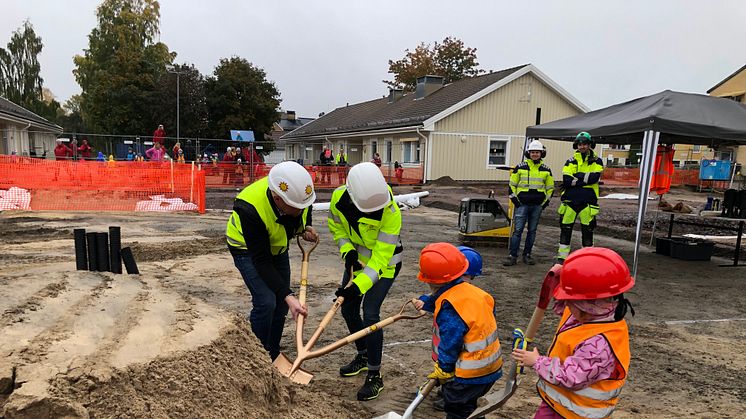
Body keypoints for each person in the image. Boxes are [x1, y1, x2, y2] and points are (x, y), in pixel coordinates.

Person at [512, 247, 634, 419]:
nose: (566, 307)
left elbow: (572, 378)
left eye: (570, 302)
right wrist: (562, 283)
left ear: (587, 306)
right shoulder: (593, 313)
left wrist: (537, 362)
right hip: (558, 403)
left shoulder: (598, 344)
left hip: (577, 412)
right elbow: (567, 310)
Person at [225, 161, 317, 361]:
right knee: (267, 302)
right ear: (277, 199)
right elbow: (262, 262)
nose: (301, 210)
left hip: (278, 246)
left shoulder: (298, 192)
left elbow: (305, 207)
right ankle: (256, 358)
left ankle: (272, 352)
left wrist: (305, 227)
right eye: (296, 207)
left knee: (282, 305)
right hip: (246, 249)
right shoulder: (250, 208)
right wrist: (288, 295)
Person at [328, 162, 403, 401]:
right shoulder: (339, 199)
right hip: (356, 262)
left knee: (370, 314)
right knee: (348, 308)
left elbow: (381, 259)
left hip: (385, 266)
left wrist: (357, 287)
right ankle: (362, 355)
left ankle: (374, 375)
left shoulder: (391, 212)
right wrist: (347, 252)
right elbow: (337, 229)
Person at [413, 242, 503, 419]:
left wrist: (444, 367)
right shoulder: (476, 293)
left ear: (429, 279)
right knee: (469, 408)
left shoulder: (450, 307)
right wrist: (427, 302)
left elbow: (451, 340)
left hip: (469, 374)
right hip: (491, 367)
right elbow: (448, 297)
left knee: (457, 410)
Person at [504, 140, 554, 266]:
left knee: (532, 231)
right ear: (528, 153)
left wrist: (544, 204)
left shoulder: (546, 170)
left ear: (541, 153)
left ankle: (527, 255)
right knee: (518, 231)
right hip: (522, 205)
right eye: (533, 152)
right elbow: (512, 185)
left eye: (537, 152)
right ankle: (512, 256)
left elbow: (550, 188)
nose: (535, 154)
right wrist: (516, 201)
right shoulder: (520, 167)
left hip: (537, 206)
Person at [556, 132, 604, 264]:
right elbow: (566, 180)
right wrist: (585, 179)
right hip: (570, 201)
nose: (582, 147)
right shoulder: (570, 161)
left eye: (585, 144)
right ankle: (562, 259)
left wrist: (576, 177)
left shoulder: (597, 160)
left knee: (587, 231)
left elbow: (595, 178)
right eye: (580, 144)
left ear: (590, 145)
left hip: (588, 201)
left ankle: (587, 259)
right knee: (565, 230)